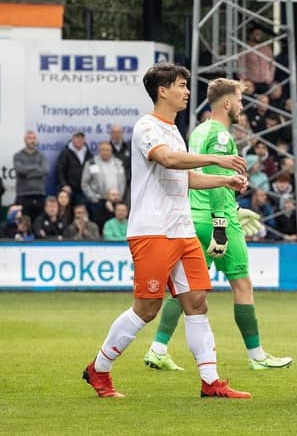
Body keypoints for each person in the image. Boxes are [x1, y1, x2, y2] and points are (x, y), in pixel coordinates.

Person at [83, 63, 250, 400]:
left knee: (197, 302)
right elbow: (169, 161)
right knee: (147, 308)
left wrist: (225, 181)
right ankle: (98, 370)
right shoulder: (146, 127)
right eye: (181, 85)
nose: (187, 92)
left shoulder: (175, 130)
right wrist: (215, 160)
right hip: (153, 231)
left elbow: (185, 178)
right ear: (163, 90)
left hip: (183, 230)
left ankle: (211, 382)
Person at [144, 77, 291, 373]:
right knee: (242, 284)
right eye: (238, 100)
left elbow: (200, 174)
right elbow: (214, 180)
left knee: (187, 289)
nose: (241, 106)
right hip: (216, 220)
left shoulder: (199, 130)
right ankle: (257, 355)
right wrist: (223, 222)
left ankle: (158, 348)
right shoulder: (223, 137)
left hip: (195, 217)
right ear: (227, 103)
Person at [81, 142, 126, 231]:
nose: (105, 152)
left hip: (115, 201)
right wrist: (93, 197)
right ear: (99, 151)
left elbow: (123, 181)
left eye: (108, 150)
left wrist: (120, 196)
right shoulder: (92, 163)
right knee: (100, 227)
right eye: (103, 150)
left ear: (111, 151)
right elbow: (84, 183)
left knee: (116, 227)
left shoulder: (118, 163)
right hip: (99, 202)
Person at [13, 130, 48, 221]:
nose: (32, 140)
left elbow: (45, 170)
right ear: (25, 140)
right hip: (23, 195)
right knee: (23, 223)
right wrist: (36, 168)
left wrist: (28, 174)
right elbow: (20, 169)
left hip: (39, 194)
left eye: (34, 138)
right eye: (29, 138)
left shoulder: (42, 156)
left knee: (38, 223)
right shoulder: (18, 155)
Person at [55, 131, 93, 205]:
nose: (79, 140)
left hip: (84, 190)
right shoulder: (65, 153)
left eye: (81, 138)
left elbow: (94, 171)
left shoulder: (89, 154)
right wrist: (64, 185)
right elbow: (59, 170)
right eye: (77, 137)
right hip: (70, 190)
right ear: (72, 139)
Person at [238, 26, 275, 93]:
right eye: (256, 34)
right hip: (251, 82)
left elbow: (272, 65)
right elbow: (240, 65)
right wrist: (244, 80)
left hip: (265, 81)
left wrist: (270, 78)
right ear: (250, 35)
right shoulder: (244, 49)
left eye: (259, 34)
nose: (258, 36)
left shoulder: (266, 49)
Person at [109, 125, 131, 195]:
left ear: (122, 134)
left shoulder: (129, 147)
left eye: (119, 132)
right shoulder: (106, 148)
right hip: (110, 185)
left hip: (128, 185)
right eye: (114, 132)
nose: (117, 135)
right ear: (110, 134)